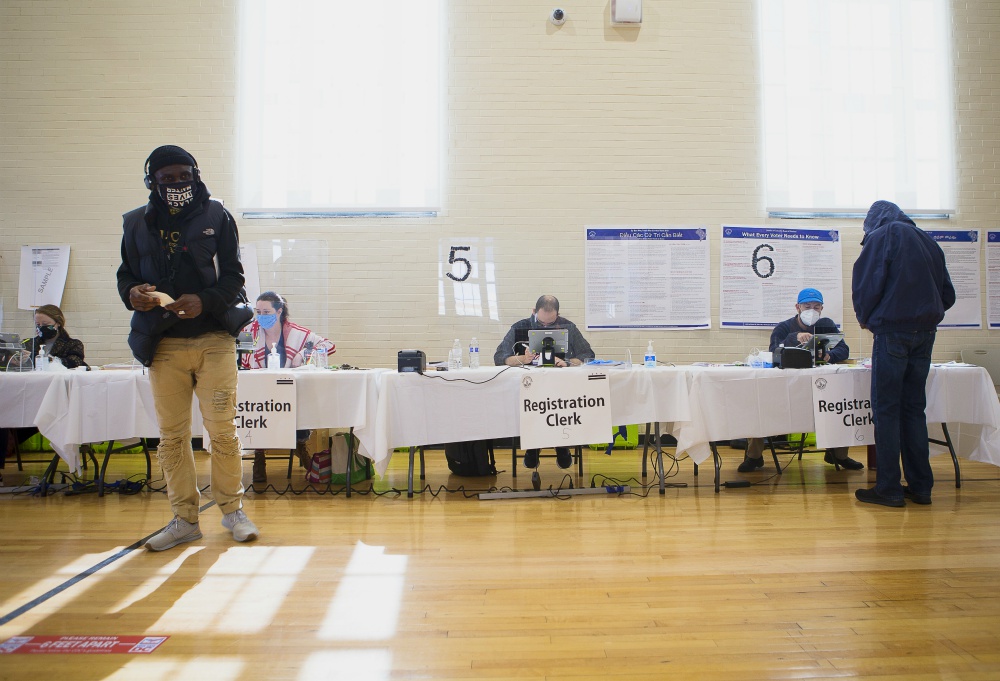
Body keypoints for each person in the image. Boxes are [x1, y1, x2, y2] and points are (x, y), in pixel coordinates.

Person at [117, 144, 258, 550]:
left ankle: (232, 511)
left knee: (222, 431)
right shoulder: (133, 224)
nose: (177, 184)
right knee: (172, 436)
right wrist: (133, 293)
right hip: (163, 345)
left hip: (214, 339)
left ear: (195, 174)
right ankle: (183, 519)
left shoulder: (218, 215)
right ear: (152, 182)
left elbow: (234, 278)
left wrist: (206, 299)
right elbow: (125, 273)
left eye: (184, 176)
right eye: (167, 179)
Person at [851, 200, 955, 508]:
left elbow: (867, 284)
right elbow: (947, 294)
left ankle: (889, 488)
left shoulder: (882, 236)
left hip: (892, 332)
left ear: (873, 222)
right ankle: (921, 487)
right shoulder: (928, 240)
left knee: (886, 411)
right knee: (913, 409)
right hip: (925, 334)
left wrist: (867, 317)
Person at [738, 288, 864, 473]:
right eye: (807, 306)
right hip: (784, 386)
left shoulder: (826, 325)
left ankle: (838, 454)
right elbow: (773, 350)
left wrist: (829, 355)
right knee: (760, 404)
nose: (811, 310)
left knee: (841, 404)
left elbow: (843, 349)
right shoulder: (784, 327)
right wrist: (793, 338)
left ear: (822, 308)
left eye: (816, 306)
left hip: (820, 385)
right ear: (798, 307)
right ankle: (754, 456)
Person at [240, 291, 335, 482]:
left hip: (288, 389)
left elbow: (329, 345)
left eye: (266, 312)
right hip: (260, 389)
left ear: (279, 311)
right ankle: (259, 456)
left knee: (300, 401)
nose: (261, 316)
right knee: (255, 405)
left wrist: (304, 352)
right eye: (258, 311)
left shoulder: (296, 333)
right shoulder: (249, 331)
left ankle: (300, 444)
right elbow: (241, 358)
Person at [494, 295, 596, 469]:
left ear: (558, 314)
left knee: (557, 404)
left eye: (550, 323)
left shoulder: (568, 327)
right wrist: (521, 358)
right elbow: (499, 357)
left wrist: (568, 362)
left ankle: (561, 444)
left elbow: (588, 355)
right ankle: (533, 447)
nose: (545, 326)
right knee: (534, 405)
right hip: (529, 389)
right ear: (534, 312)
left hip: (560, 390)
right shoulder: (520, 327)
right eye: (541, 323)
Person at [23, 304, 88, 369]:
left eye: (45, 324)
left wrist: (48, 360)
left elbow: (75, 362)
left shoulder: (73, 344)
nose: (41, 327)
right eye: (38, 324)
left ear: (58, 323)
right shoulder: (29, 344)